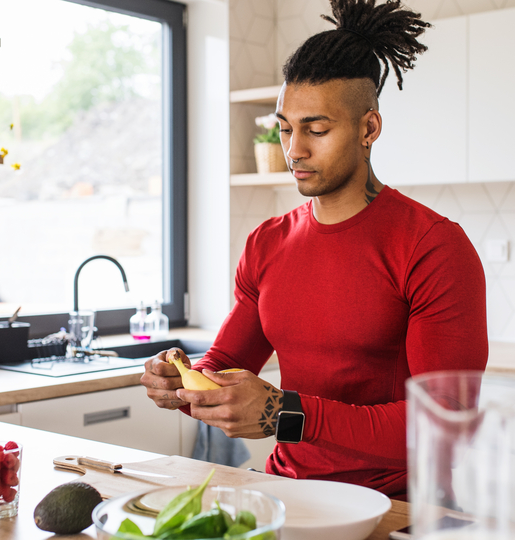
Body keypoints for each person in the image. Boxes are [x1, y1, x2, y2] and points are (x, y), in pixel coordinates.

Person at [140, 0, 487, 499]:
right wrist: (183, 380)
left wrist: (286, 413)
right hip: (289, 495)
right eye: (285, 127)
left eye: (316, 129)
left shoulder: (432, 247)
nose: (294, 149)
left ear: (369, 128)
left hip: (398, 505)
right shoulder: (267, 243)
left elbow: (448, 426)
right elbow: (227, 360)